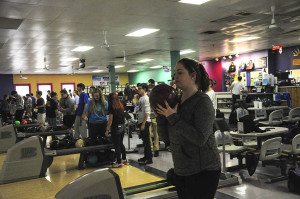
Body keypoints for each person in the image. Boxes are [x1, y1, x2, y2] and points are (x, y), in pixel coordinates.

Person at [154, 58, 221, 199]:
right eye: (174, 73)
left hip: (204, 170)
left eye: (180, 73)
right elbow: (167, 139)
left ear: (193, 75)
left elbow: (200, 138)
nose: (175, 77)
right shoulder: (175, 102)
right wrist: (161, 116)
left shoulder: (202, 101)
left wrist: (173, 118)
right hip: (182, 169)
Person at [105, 93, 127, 168]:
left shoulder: (111, 106)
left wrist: (107, 130)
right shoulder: (120, 105)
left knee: (116, 145)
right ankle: (124, 159)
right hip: (123, 126)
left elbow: (110, 119)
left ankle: (118, 162)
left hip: (116, 127)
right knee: (121, 143)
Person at [137, 83, 152, 165]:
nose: (138, 90)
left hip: (145, 122)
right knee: (144, 141)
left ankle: (149, 158)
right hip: (141, 121)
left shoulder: (146, 98)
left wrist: (143, 123)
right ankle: (146, 156)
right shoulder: (141, 98)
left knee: (147, 142)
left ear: (144, 89)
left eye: (140, 88)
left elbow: (147, 113)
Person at [148, 80, 159, 157]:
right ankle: (151, 149)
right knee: (149, 135)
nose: (149, 92)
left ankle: (156, 149)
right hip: (148, 118)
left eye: (151, 91)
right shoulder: (146, 98)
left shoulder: (157, 98)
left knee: (156, 134)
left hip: (155, 118)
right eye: (148, 91)